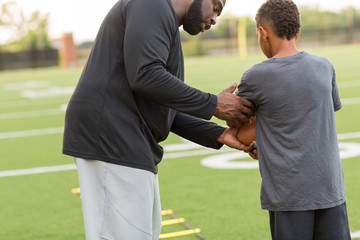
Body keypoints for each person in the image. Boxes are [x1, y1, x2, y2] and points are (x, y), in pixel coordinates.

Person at [63, 0, 255, 239]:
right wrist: (213, 104)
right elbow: (145, 75)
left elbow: (161, 102)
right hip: (112, 134)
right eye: (215, 6)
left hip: (127, 136)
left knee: (144, 233)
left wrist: (218, 133)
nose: (215, 18)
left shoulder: (161, 16)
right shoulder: (151, 4)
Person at [236, 0, 351, 239]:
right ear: (297, 32)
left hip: (288, 196)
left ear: (262, 32)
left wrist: (262, 134)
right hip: (330, 190)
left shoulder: (255, 76)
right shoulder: (324, 66)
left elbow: (240, 132)